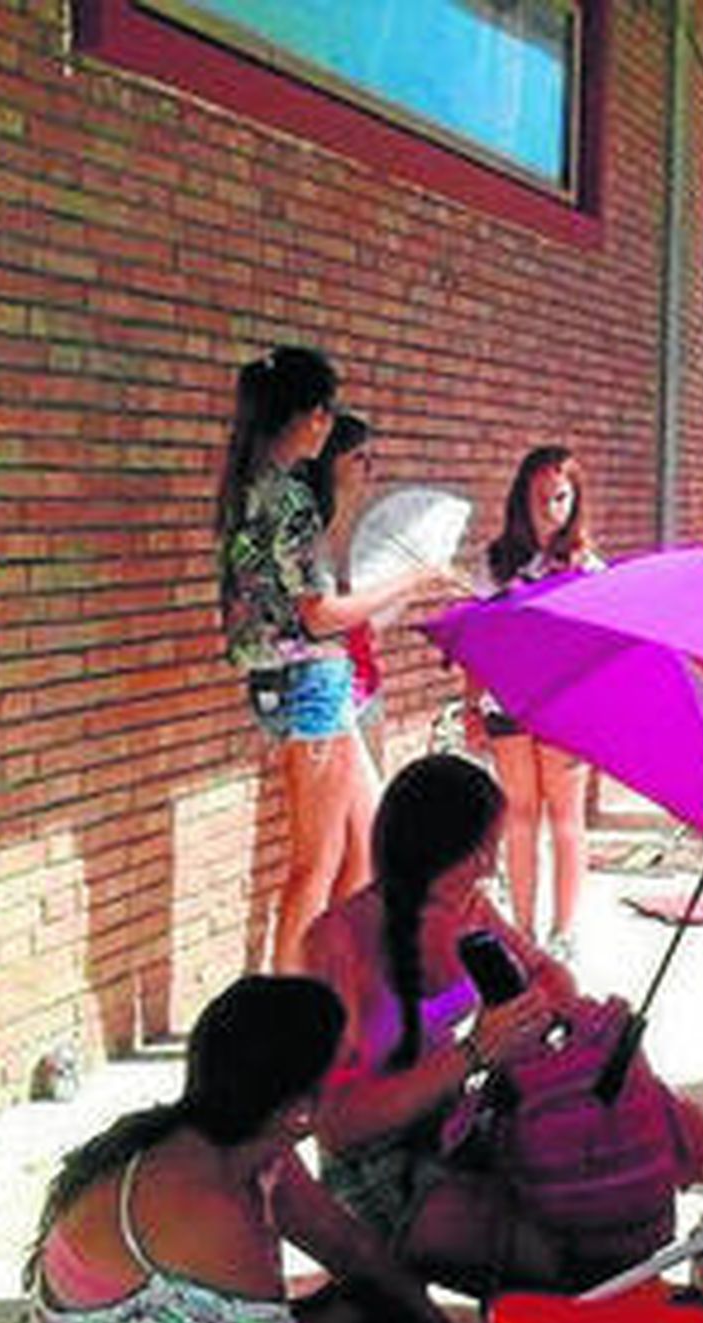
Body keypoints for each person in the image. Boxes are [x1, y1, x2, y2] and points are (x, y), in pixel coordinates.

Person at [23, 975, 468, 1323]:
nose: (361, 1073)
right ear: (299, 1111)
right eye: (345, 1069)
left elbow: (350, 1248)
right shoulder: (207, 1212)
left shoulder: (240, 1143)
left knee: (375, 1308)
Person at [305, 754, 582, 1298]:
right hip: (373, 1164)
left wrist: (529, 1011)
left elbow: (553, 976)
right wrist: (474, 1052)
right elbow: (335, 1124)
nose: (487, 866)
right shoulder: (336, 940)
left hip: (450, 1125)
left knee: (585, 1211)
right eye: (479, 851)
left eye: (490, 850)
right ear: (428, 849)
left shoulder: (469, 907)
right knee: (549, 1263)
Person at [216, 347, 448, 972]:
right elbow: (319, 614)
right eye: (326, 409)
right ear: (306, 414)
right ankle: (291, 1011)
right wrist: (413, 581)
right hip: (311, 681)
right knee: (313, 865)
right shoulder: (288, 500)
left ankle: (331, 984)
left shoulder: (249, 487)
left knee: (360, 848)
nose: (328, 422)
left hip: (297, 680)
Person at [462, 446, 605, 959]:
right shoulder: (495, 563)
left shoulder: (588, 568)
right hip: (508, 702)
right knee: (520, 815)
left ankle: (564, 933)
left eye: (561, 497)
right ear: (522, 497)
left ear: (575, 500)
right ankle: (522, 931)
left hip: (568, 705)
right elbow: (476, 645)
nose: (550, 507)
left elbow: (599, 646)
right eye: (540, 496)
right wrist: (470, 706)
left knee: (566, 816)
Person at [301, 411, 396, 784]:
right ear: (330, 460)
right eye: (359, 457)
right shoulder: (308, 534)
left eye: (373, 458)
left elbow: (362, 614)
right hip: (322, 689)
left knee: (374, 811)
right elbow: (318, 617)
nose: (369, 469)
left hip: (365, 681)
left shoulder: (365, 532)